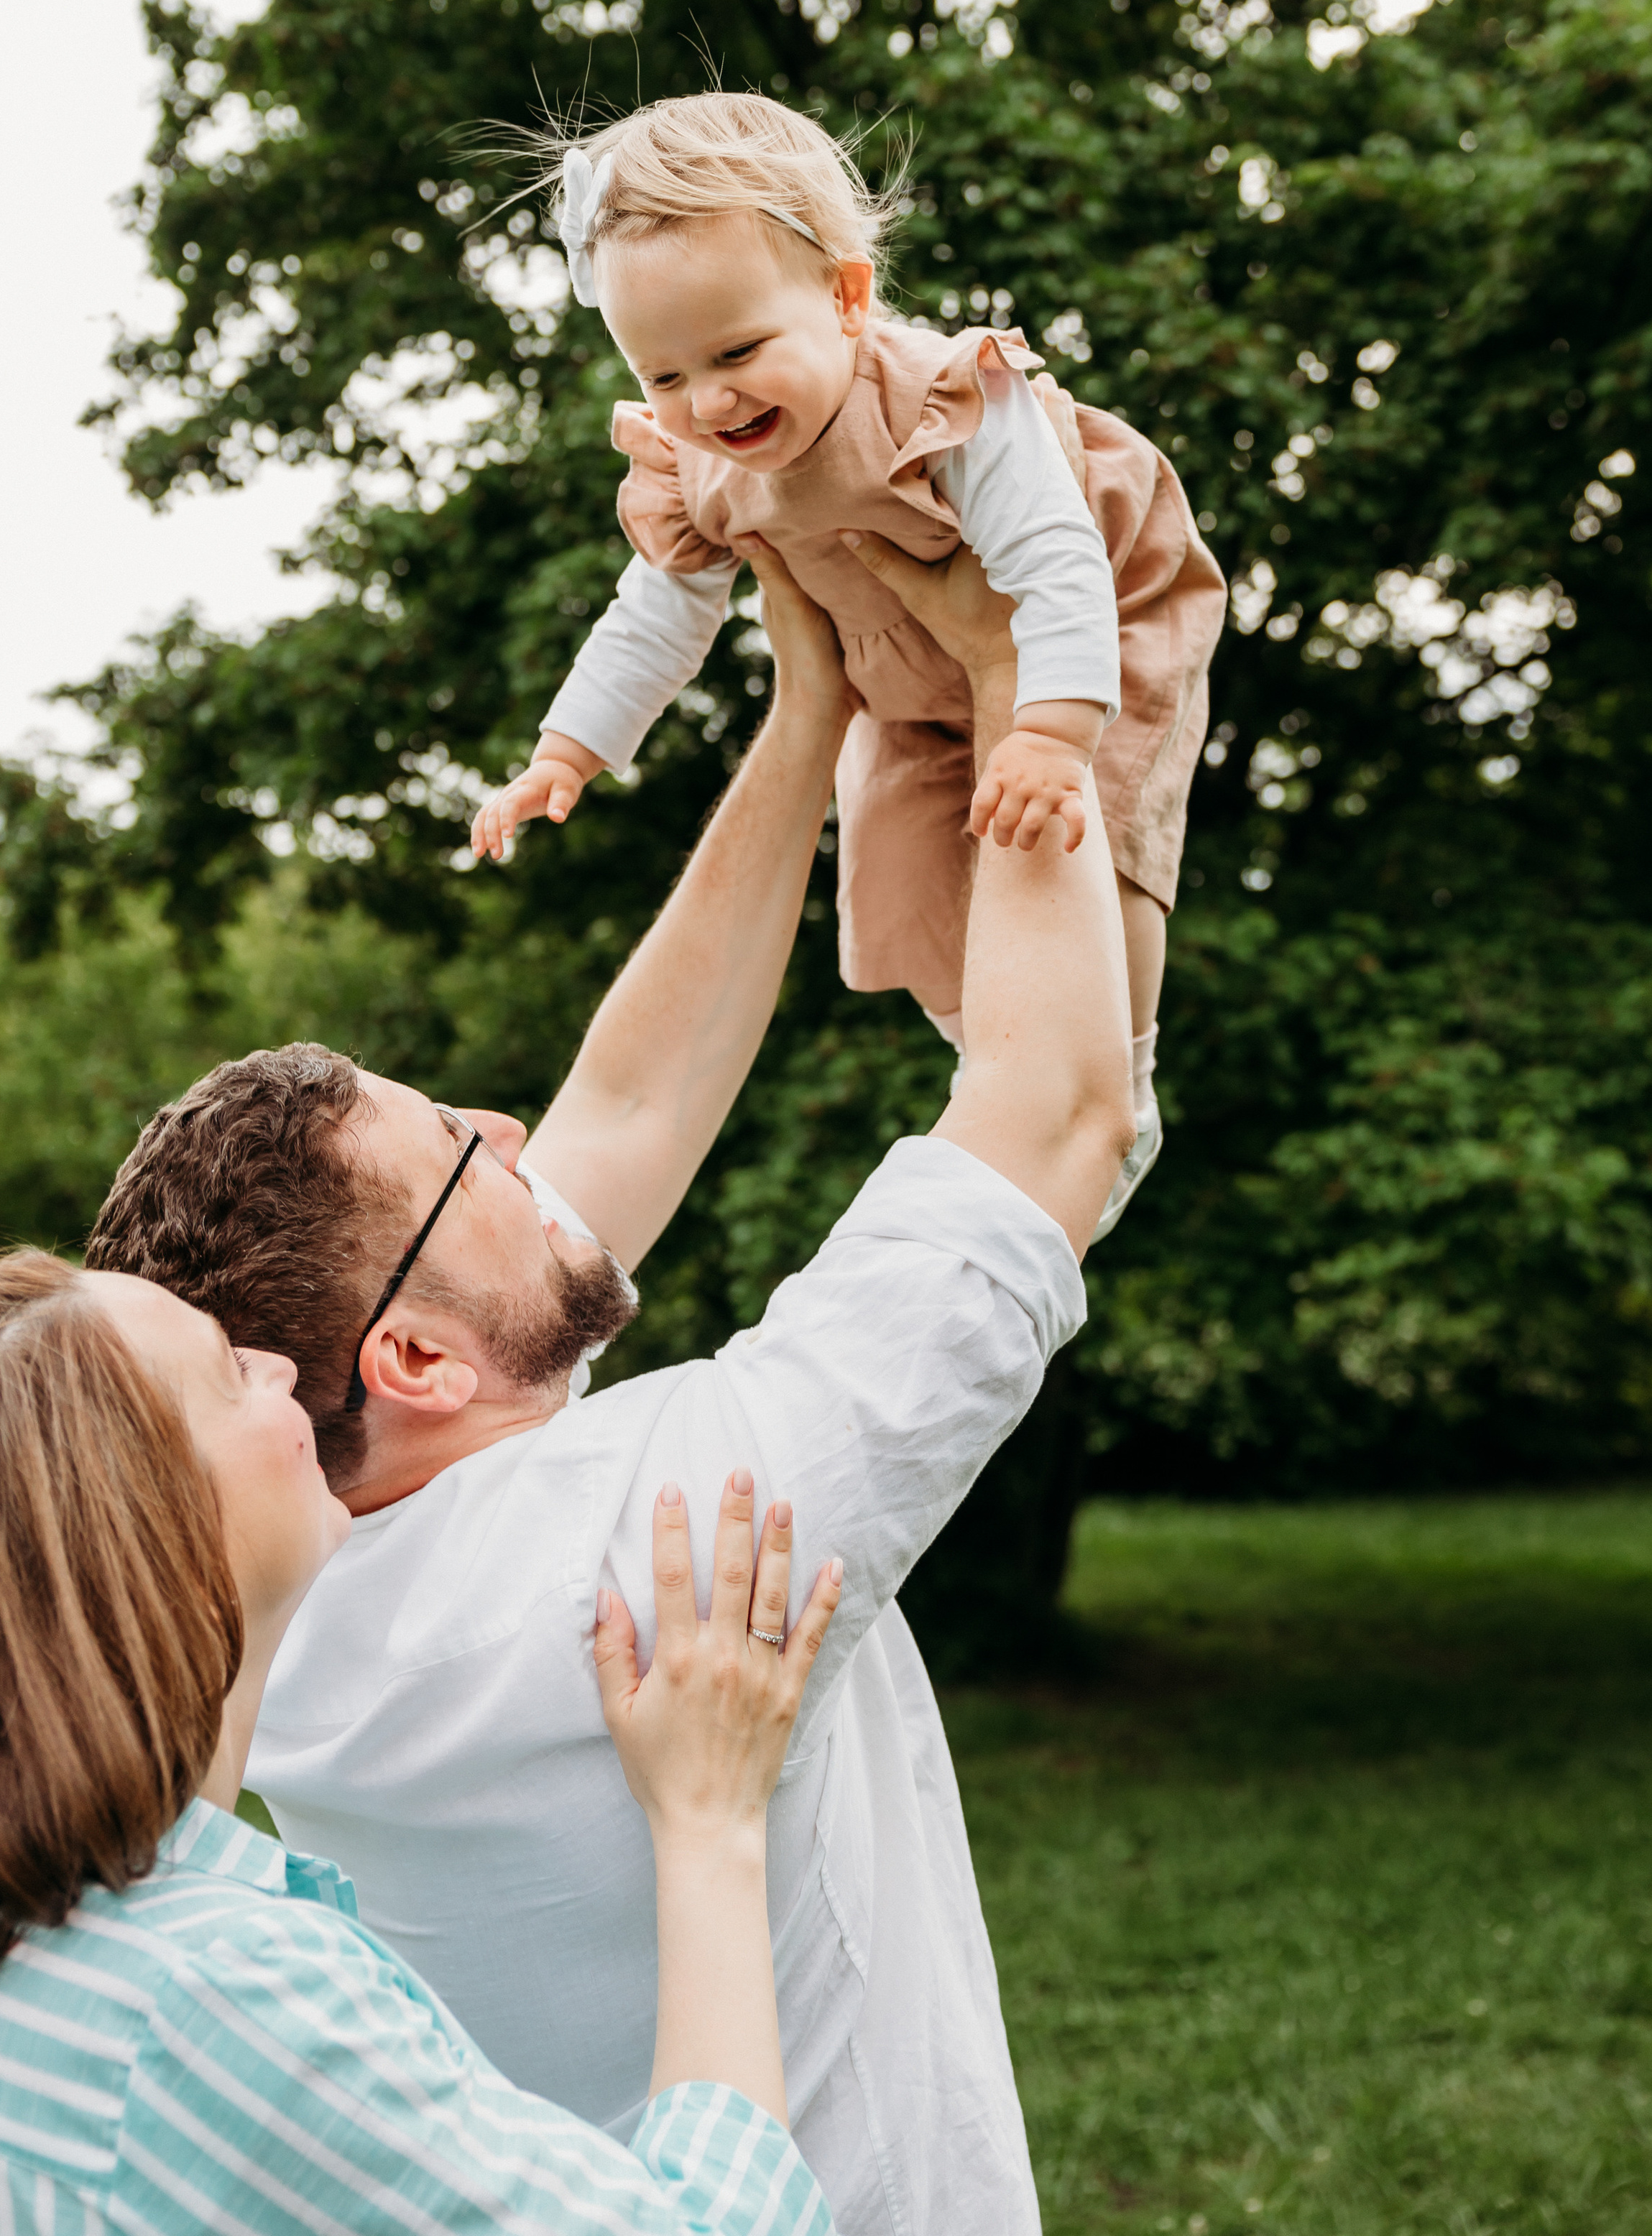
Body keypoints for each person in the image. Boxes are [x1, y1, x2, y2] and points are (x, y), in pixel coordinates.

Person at [86, 537, 1138, 2236]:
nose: (508, 1133)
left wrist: (803, 718)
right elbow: (1054, 1112)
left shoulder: (288, 1571)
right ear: (414, 1360)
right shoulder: (674, 1535)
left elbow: (633, 1102)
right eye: (455, 1150)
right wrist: (1022, 683)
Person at [0, 1242, 842, 2235]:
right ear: (155, 1531)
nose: (279, 1365)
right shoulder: (208, 2003)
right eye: (228, 1370)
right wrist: (709, 1817)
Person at [472, 88, 1225, 1229]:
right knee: (905, 880)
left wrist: (1051, 733)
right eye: (663, 375)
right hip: (908, 690)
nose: (707, 400)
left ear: (847, 295)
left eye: (737, 351)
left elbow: (1058, 557)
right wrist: (568, 752)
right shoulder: (702, 465)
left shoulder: (944, 399)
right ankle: (1006, 1078)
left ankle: (1110, 1078)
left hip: (1087, 641)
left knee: (1080, 826)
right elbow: (657, 611)